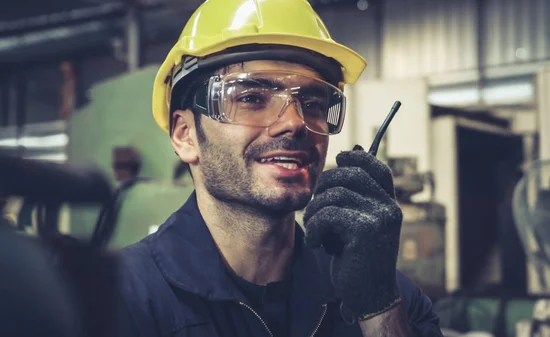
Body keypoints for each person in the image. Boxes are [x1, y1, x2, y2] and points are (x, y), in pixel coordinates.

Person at [118, 0, 443, 336]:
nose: (294, 122)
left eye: (314, 103)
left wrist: (379, 311)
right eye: (251, 99)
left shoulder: (393, 301)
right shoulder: (117, 302)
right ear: (186, 136)